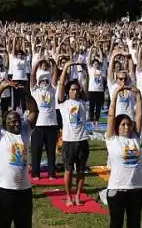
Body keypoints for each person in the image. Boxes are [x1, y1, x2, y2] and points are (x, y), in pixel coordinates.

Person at [0, 80, 38, 228]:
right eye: (12, 121)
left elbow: (34, 111)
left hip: (24, 190)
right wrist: (1, 88)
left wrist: (26, 92)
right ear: (4, 123)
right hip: (3, 191)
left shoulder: (25, 131)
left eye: (18, 121)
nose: (16, 124)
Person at [105, 82, 142, 228]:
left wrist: (138, 95)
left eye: (128, 124)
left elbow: (139, 115)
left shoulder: (135, 137)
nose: (126, 127)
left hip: (136, 190)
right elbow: (110, 116)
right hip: (117, 190)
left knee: (134, 224)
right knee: (117, 223)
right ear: (117, 127)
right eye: (123, 124)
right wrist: (115, 94)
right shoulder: (112, 139)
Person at [56, 61, 89, 206]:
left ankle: (77, 196)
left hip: (82, 140)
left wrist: (84, 68)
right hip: (69, 141)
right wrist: (67, 66)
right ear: (68, 91)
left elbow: (86, 81)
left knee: (81, 172)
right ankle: (69, 196)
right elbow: (61, 84)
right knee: (68, 171)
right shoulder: (63, 104)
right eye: (72, 90)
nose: (75, 92)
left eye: (77, 90)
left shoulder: (83, 102)